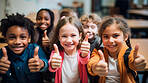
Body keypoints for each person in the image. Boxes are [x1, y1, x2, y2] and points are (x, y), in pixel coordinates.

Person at [87, 16, 147, 83]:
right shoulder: (99, 52)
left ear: (125, 37)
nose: (110, 41)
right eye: (106, 36)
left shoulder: (129, 53)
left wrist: (137, 64)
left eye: (115, 36)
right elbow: (92, 63)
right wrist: (96, 67)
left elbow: (133, 61)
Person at [0, 13, 48, 83]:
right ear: (6, 39)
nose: (17, 42)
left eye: (22, 37)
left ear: (29, 39)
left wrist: (41, 64)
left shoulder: (35, 49)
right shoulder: (2, 53)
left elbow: (46, 64)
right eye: (12, 37)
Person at [48, 16, 90, 83]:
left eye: (73, 35)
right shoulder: (56, 53)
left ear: (80, 36)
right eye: (64, 36)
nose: (69, 40)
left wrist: (84, 55)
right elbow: (51, 67)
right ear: (58, 37)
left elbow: (85, 61)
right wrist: (53, 64)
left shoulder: (83, 51)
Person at [34, 8, 54, 82]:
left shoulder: (55, 33)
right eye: (39, 19)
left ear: (51, 20)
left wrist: (49, 46)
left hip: (50, 67)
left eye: (46, 19)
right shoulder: (33, 32)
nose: (42, 21)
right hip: (35, 65)